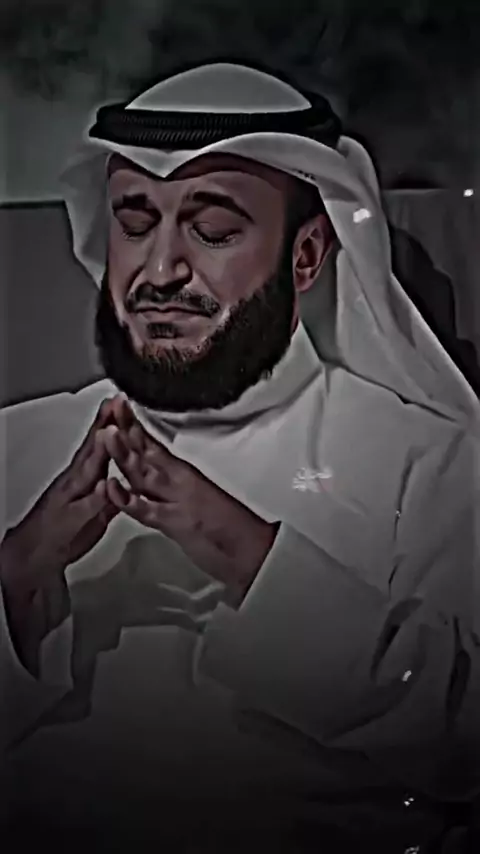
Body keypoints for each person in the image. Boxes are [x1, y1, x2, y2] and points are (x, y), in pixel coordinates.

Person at [1, 61, 479, 851]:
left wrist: (249, 555)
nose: (160, 271)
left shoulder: (425, 460)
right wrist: (20, 572)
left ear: (306, 255)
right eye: (134, 223)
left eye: (214, 230)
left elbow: (465, 743)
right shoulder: (17, 444)